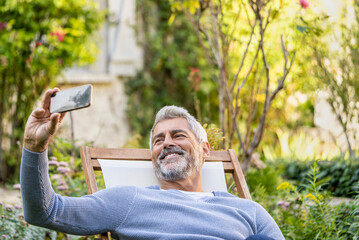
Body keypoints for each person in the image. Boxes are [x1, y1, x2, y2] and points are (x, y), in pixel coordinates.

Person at [20, 88, 285, 240]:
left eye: (178, 135)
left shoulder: (247, 211)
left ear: (205, 149)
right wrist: (35, 147)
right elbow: (45, 211)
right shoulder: (127, 201)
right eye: (158, 140)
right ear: (152, 156)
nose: (167, 143)